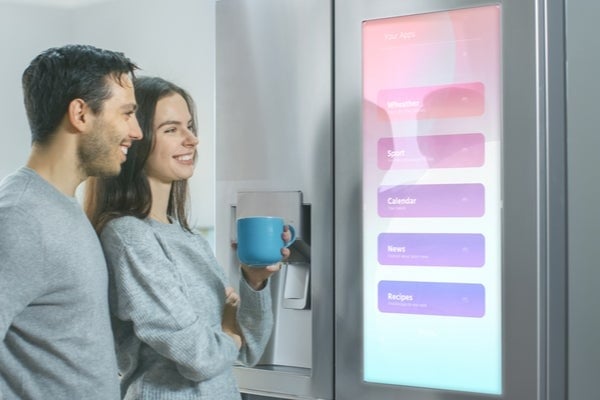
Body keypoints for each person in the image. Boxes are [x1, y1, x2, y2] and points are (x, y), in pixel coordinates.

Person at [84, 76, 289, 399]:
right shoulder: (128, 236)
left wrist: (254, 281)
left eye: (190, 126)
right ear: (136, 140)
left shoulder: (186, 237)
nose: (192, 139)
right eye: (171, 129)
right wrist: (227, 333)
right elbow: (201, 358)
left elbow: (248, 351)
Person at [0, 44, 143, 399]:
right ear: (80, 113)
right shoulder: (20, 217)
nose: (136, 131)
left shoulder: (60, 206)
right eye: (126, 113)